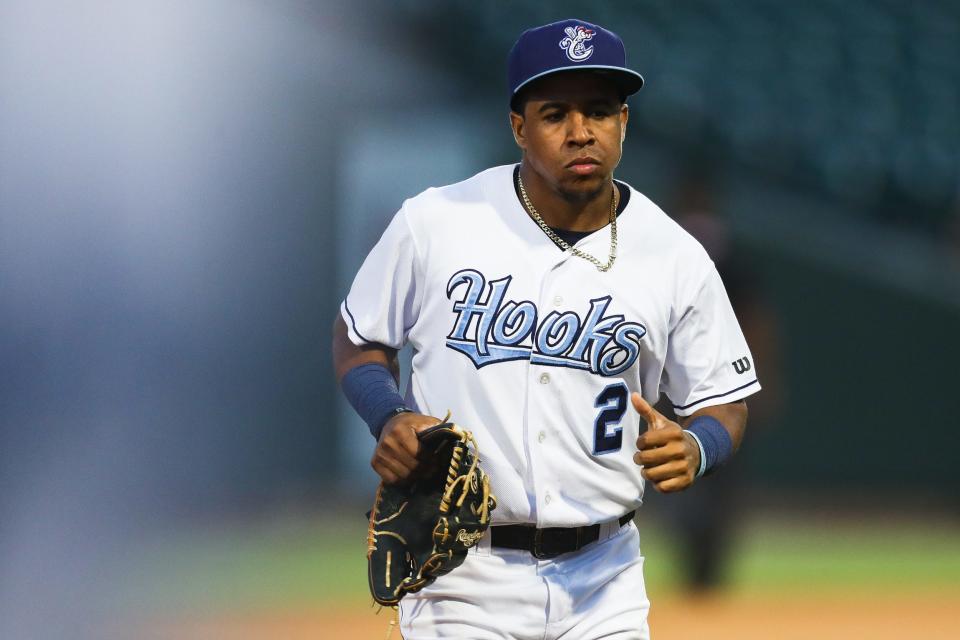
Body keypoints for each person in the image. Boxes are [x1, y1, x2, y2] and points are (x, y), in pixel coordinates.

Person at [333, 18, 760, 639]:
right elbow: (358, 338)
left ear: (624, 123)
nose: (581, 132)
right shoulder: (436, 223)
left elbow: (724, 399)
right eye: (555, 113)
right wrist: (387, 414)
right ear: (518, 127)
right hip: (463, 577)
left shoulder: (674, 254)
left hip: (605, 579)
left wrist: (701, 446)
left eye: (600, 111)